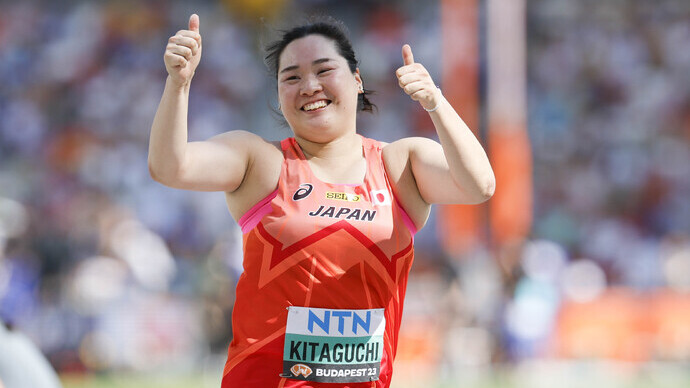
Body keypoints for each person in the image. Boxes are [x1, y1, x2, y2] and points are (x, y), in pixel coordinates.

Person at [149, 14, 495, 388]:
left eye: (323, 70)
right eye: (292, 77)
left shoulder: (399, 164)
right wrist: (178, 84)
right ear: (279, 98)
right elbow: (171, 167)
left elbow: (479, 185)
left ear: (357, 80)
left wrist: (435, 102)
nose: (309, 86)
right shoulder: (261, 161)